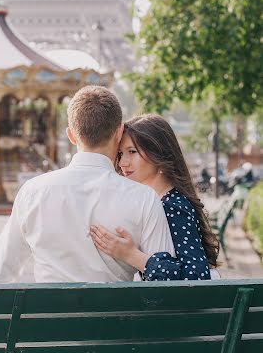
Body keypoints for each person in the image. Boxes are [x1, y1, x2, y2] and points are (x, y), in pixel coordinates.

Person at [0, 87, 174, 283]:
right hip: (116, 313)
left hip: (52, 312)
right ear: (119, 133)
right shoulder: (144, 198)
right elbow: (164, 285)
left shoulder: (33, 192)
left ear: (71, 135)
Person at [90, 114, 219, 281]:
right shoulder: (156, 202)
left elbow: (197, 277)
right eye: (121, 154)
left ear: (158, 153)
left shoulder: (172, 206)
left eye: (132, 152)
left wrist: (131, 255)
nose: (123, 163)